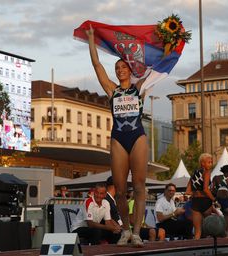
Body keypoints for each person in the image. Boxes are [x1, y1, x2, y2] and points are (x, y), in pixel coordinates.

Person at [86, 25, 148, 247]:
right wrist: (92, 40)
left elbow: (157, 66)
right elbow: (97, 65)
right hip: (118, 138)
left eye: (124, 66)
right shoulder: (113, 91)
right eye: (117, 67)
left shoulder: (140, 88)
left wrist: (168, 47)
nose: (120, 70)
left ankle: (138, 232)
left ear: (130, 70)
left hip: (138, 137)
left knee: (139, 187)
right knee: (120, 191)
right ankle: (126, 231)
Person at [186, 153, 217, 240]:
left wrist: (196, 193)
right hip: (206, 202)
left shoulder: (194, 173)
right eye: (209, 162)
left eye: (211, 162)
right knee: (209, 230)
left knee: (197, 232)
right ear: (202, 163)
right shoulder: (207, 172)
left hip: (195, 203)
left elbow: (187, 191)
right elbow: (206, 189)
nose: (210, 164)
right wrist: (214, 199)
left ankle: (195, 250)